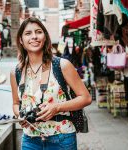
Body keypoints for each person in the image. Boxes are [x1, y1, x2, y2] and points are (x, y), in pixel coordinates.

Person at [10, 17, 91, 150]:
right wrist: (20, 116)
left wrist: (57, 107)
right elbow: (15, 103)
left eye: (38, 32)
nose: (34, 36)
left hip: (62, 138)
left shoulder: (62, 65)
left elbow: (86, 98)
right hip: (30, 139)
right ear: (21, 40)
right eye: (28, 33)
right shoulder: (16, 72)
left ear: (45, 37)